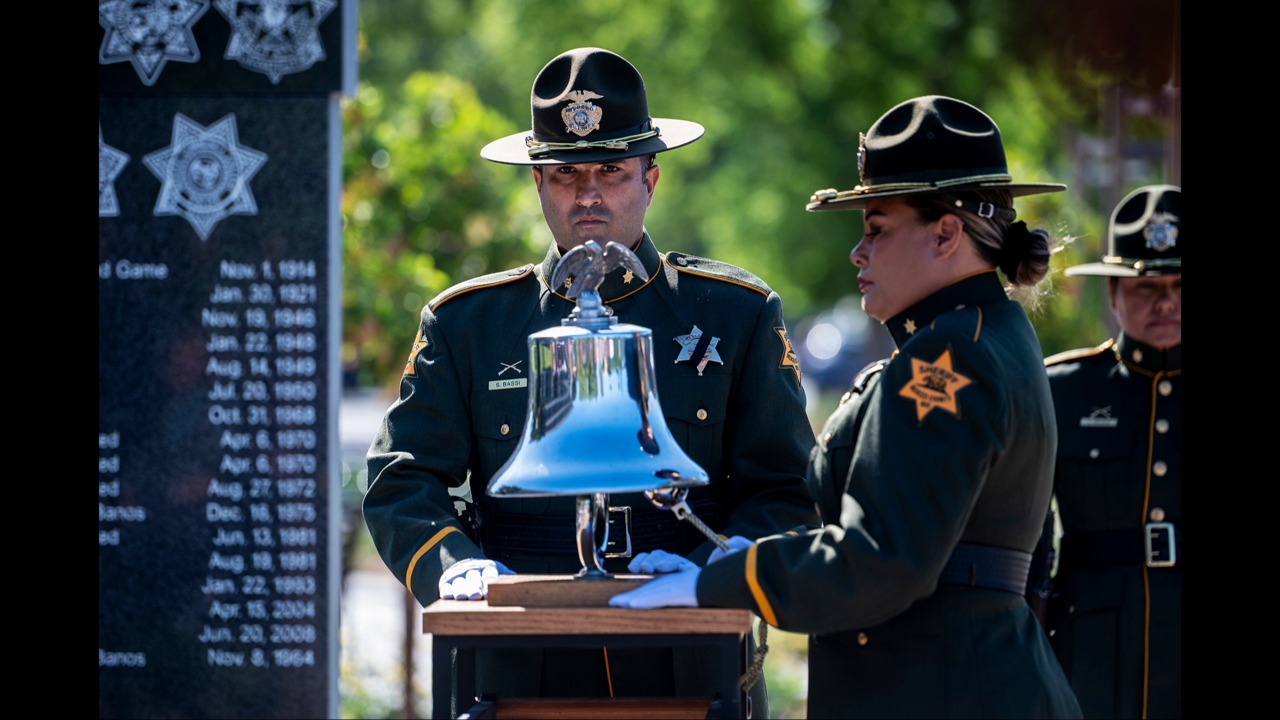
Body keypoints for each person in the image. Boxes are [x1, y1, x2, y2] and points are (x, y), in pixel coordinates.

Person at [362, 46, 818, 714]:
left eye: (611, 170)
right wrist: (454, 566)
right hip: (525, 660)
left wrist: (719, 572)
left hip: (687, 655)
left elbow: (785, 487)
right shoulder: (470, 323)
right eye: (567, 175)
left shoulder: (734, 314)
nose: (591, 193)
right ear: (538, 185)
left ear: (651, 180)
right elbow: (401, 479)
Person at [612, 94, 1083, 719]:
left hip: (945, 689)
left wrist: (714, 583)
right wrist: (725, 557)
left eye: (877, 230)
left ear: (946, 233)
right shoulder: (987, 334)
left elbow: (880, 558)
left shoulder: (947, 358)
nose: (858, 254)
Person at [1040, 184, 1181, 718]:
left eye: (1178, 284)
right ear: (1114, 294)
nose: (1166, 301)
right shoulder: (1064, 388)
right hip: (1091, 645)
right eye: (1147, 288)